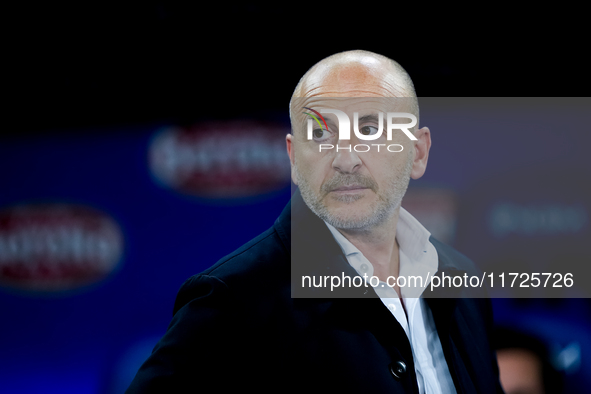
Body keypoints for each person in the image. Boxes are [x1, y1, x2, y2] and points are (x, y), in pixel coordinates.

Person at [126, 50, 503, 393]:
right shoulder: (233, 299)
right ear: (293, 157)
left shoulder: (461, 281)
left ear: (417, 153)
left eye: (370, 129)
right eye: (320, 133)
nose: (345, 159)